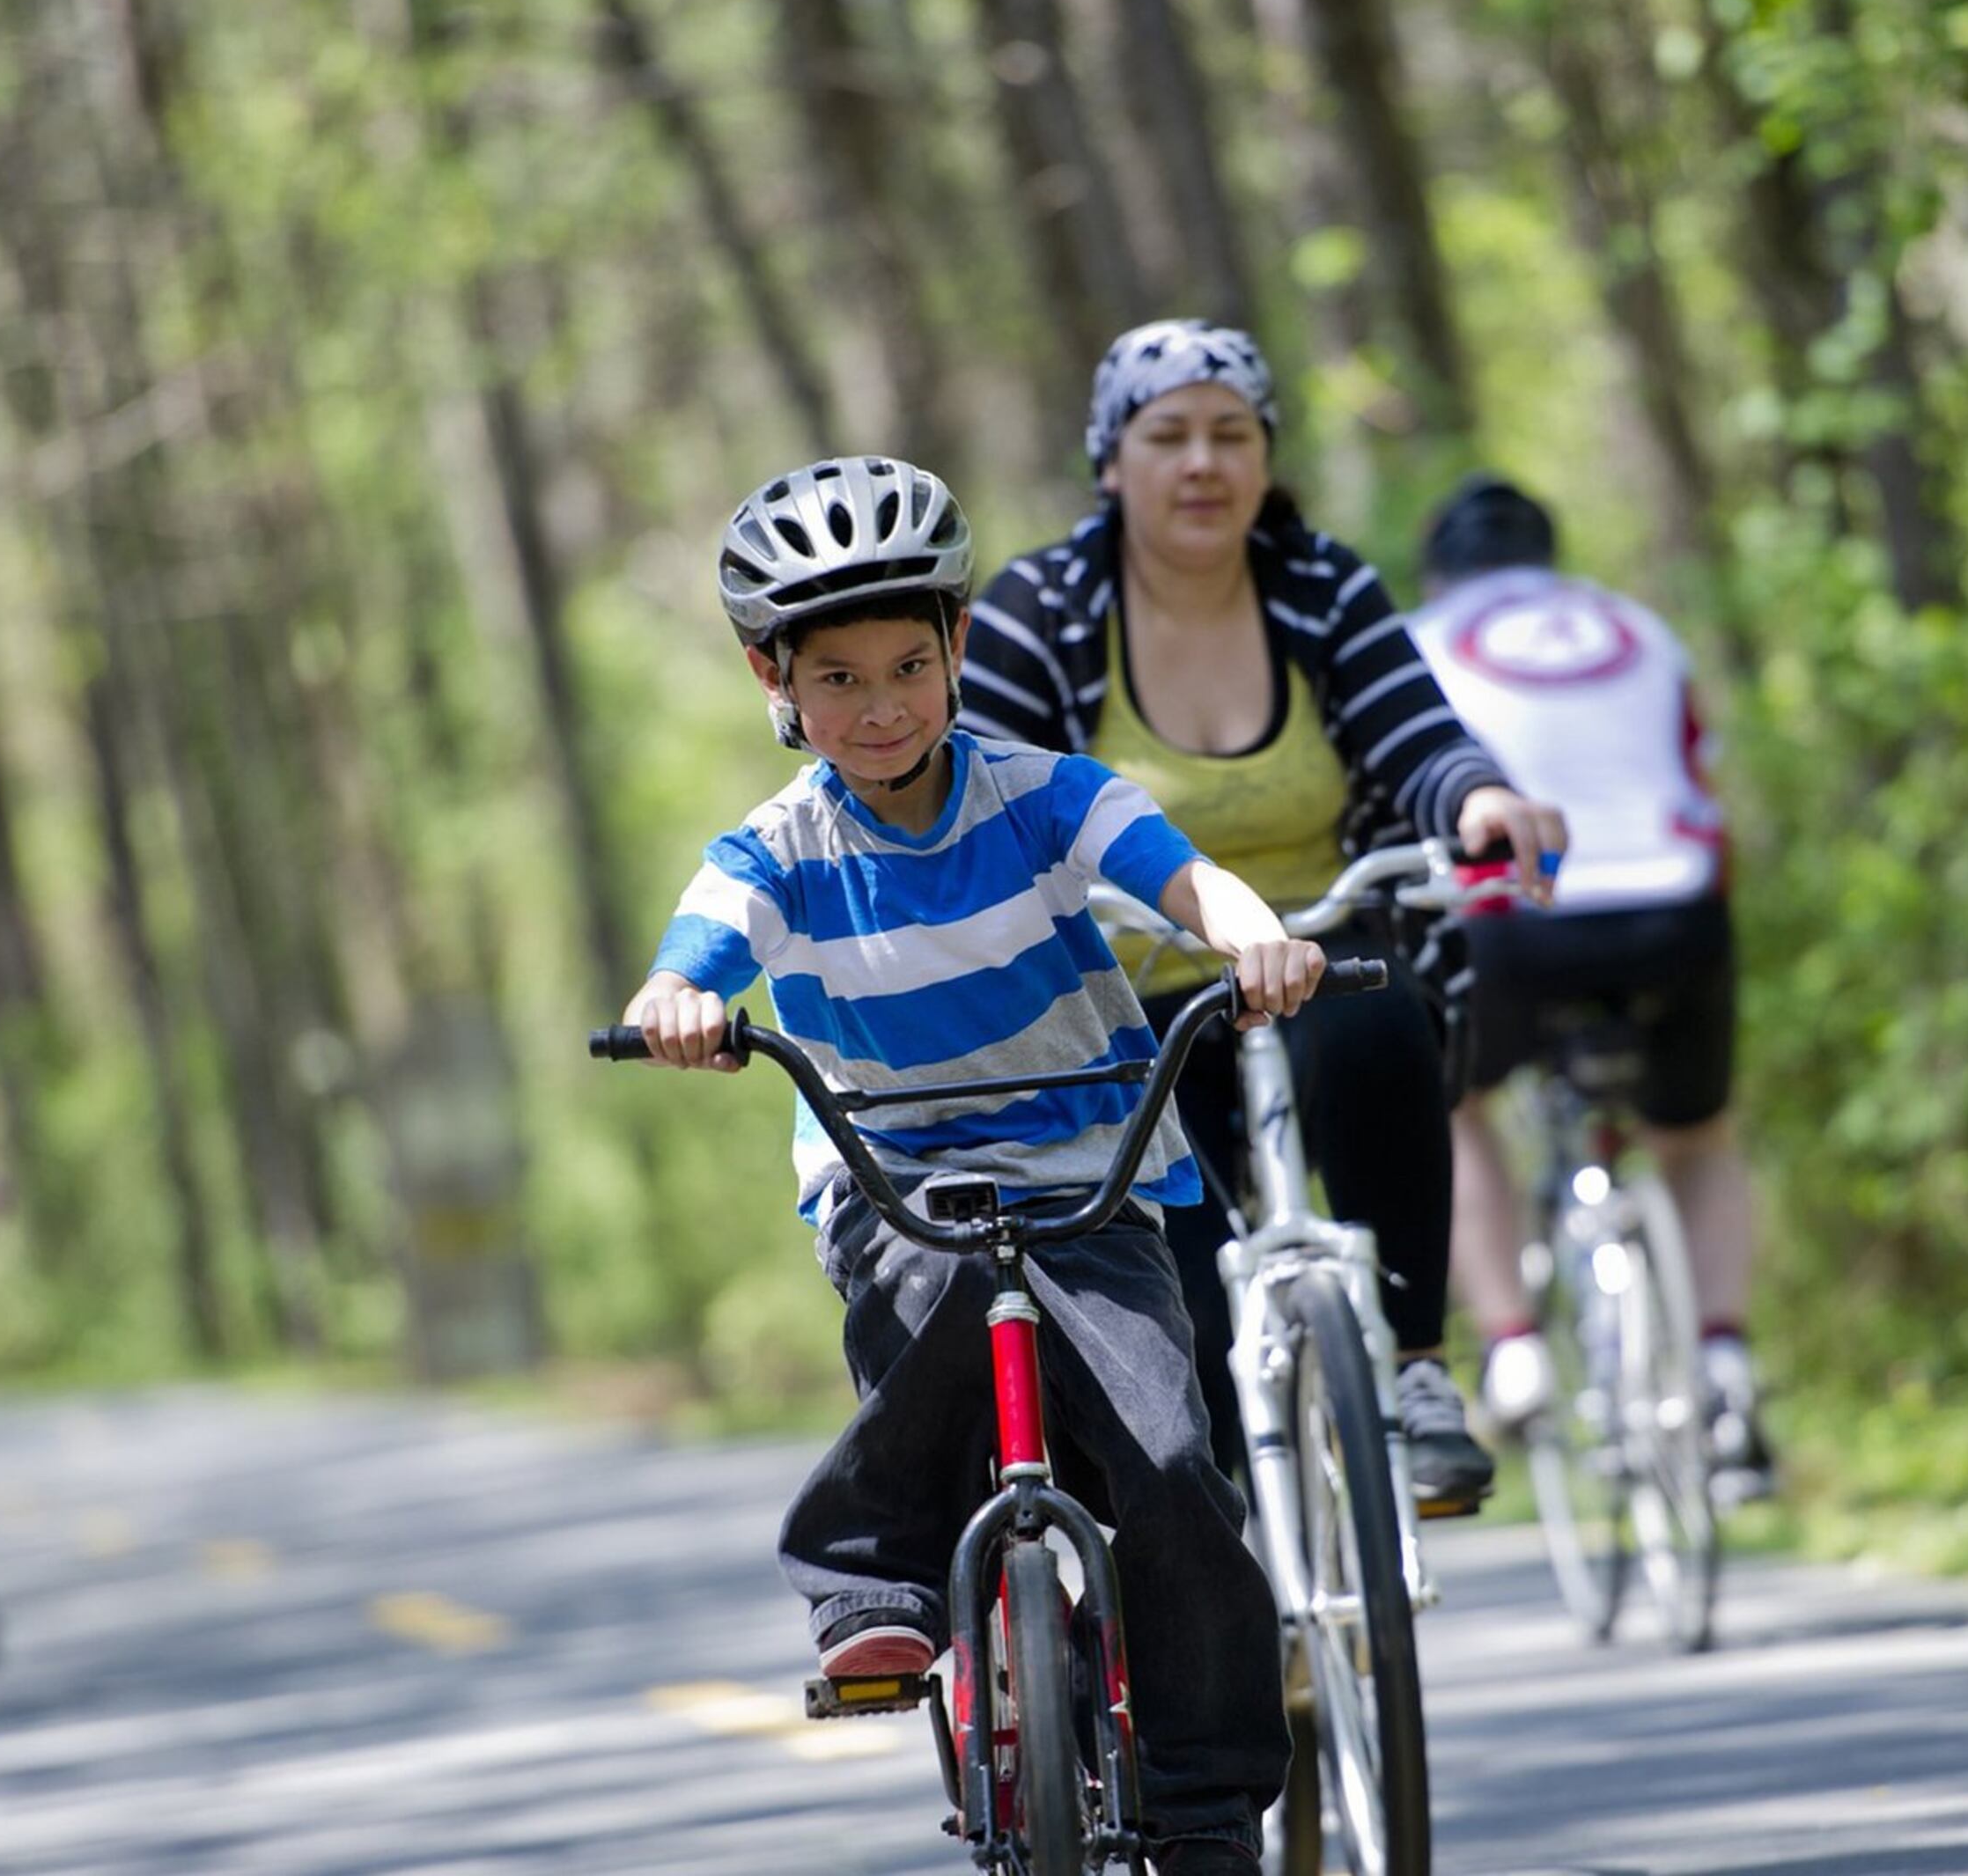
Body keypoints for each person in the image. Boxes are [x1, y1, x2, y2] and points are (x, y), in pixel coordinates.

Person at [626, 455, 1301, 1874]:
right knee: (931, 1293)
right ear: (772, 678)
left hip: (1087, 1164)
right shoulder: (777, 849)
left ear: (959, 647)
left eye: (908, 669)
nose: (880, 708)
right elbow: (699, 946)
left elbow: (1175, 870)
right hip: (896, 1180)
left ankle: (1205, 1808)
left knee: (1174, 1461)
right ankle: (871, 1583)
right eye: (838, 679)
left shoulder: (1044, 794)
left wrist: (1250, 934)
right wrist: (675, 1002)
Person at [961, 318, 1564, 1510]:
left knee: (1384, 1023)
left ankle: (1416, 1368)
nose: (1203, 463)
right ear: (1111, 463)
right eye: (1169, 436)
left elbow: (1414, 732)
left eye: (1231, 435)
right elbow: (981, 797)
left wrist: (1480, 797)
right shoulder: (1045, 609)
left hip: (1314, 957)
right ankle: (1222, 1550)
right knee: (1181, 1323)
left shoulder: (1319, 588)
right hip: (1124, 1002)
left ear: (1265, 458)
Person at [1405, 475, 1773, 1490]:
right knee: (1696, 1138)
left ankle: (1513, 1349)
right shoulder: (1639, 629)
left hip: (1515, 916)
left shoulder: (1420, 640)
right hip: (1674, 910)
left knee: (1457, 1108)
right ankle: (1727, 1364)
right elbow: (1700, 778)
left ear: (1440, 571)